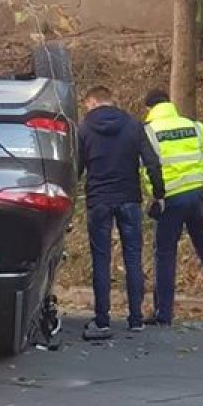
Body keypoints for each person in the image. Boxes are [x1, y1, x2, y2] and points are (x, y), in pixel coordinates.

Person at [143, 88, 203, 325]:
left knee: (165, 253)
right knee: (202, 239)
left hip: (171, 198)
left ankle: (163, 313)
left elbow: (145, 168)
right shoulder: (193, 126)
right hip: (196, 195)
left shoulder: (149, 132)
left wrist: (154, 195)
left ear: (150, 109)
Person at [78, 85, 165, 340]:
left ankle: (102, 320)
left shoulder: (84, 129)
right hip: (129, 199)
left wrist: (71, 194)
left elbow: (77, 167)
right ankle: (135, 318)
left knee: (101, 260)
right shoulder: (133, 126)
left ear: (92, 102)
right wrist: (159, 194)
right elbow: (152, 161)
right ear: (111, 100)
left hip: (99, 201)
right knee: (133, 258)